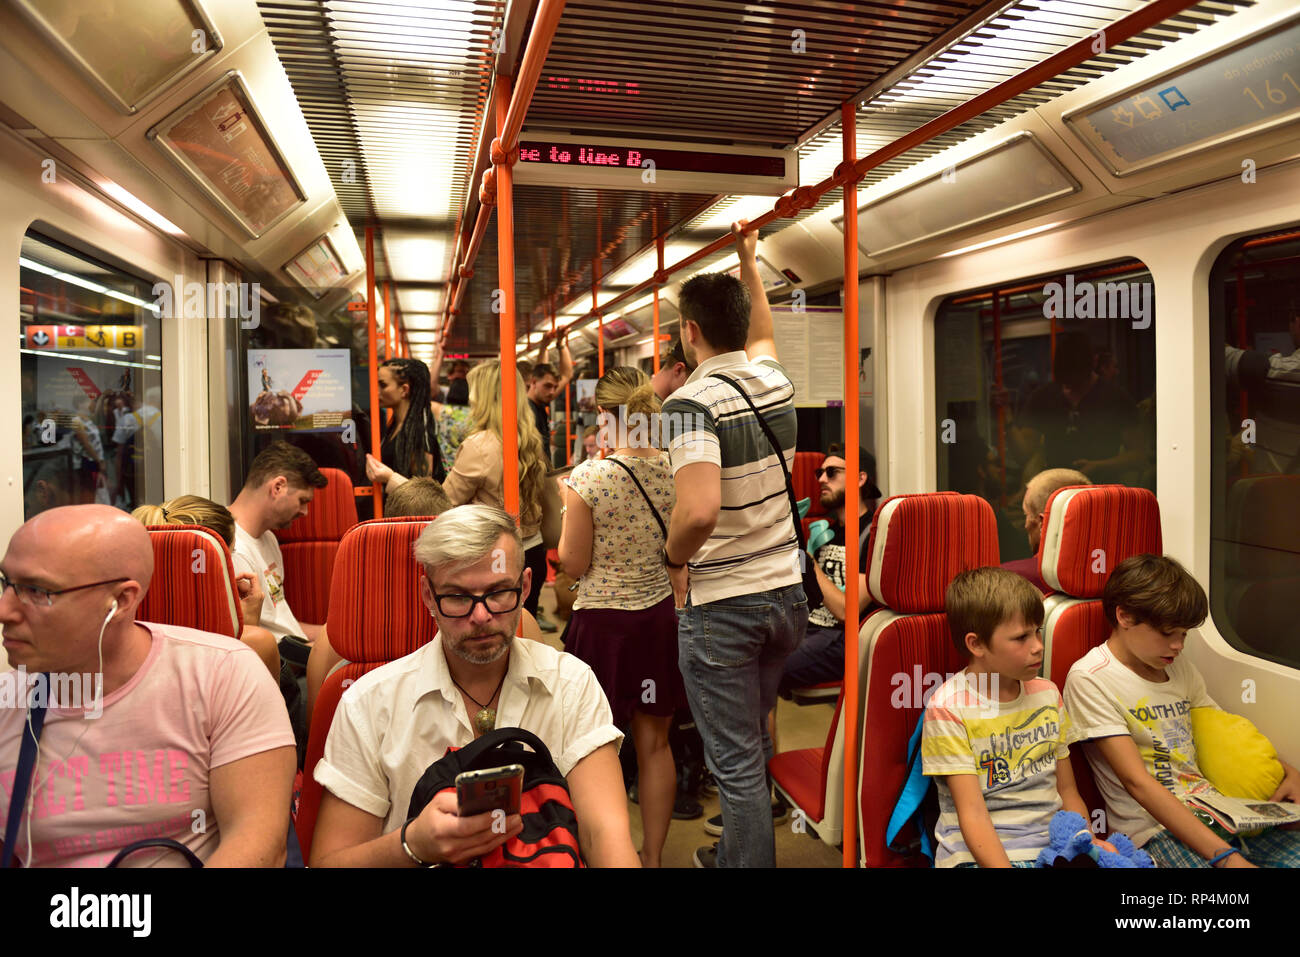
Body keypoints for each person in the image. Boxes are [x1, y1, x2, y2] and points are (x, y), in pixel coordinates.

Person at [308, 504, 639, 867]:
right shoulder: (368, 704)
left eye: (498, 593)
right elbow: (330, 861)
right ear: (428, 597)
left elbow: (604, 835)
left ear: (525, 586)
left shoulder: (571, 685)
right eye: (458, 597)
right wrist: (412, 844)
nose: (480, 616)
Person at [0, 505, 295, 866]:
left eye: (37, 590)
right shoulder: (8, 702)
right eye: (7, 584)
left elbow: (258, 844)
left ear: (121, 601)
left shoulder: (222, 675)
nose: (5, 610)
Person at [660, 220, 806, 868]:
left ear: (690, 331)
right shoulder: (773, 379)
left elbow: (697, 510)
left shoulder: (691, 403)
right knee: (752, 741)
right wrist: (750, 259)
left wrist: (672, 559)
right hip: (786, 597)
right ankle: (738, 852)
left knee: (737, 761)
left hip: (725, 605)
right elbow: (765, 331)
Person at [1064, 555, 1300, 868]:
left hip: (1220, 813)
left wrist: (1288, 771)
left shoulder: (1180, 671)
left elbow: (1224, 736)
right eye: (1167, 633)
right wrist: (1227, 860)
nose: (1178, 646)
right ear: (1124, 616)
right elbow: (1138, 784)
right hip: (1156, 829)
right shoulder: (1092, 678)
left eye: (1184, 635)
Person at [558, 366, 685, 867]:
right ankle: (651, 858)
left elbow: (573, 562)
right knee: (655, 744)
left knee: (597, 747)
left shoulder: (590, 477)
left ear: (607, 416)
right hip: (656, 620)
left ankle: (607, 856)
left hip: (603, 627)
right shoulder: (675, 467)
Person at [921, 567, 1114, 867]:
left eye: (1037, 631)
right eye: (1021, 637)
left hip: (1054, 847)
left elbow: (1067, 791)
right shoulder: (949, 708)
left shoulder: (1048, 695)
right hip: (981, 854)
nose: (1038, 646)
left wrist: (1086, 846)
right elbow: (972, 813)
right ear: (977, 644)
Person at [442, 360, 555, 627]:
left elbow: (444, 503)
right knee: (523, 629)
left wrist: (393, 480)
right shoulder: (530, 440)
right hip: (533, 550)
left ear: (483, 398)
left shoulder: (479, 446)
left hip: (497, 557)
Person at [132, 495, 280, 678]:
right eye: (231, 553)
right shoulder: (255, 643)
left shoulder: (120, 634)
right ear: (214, 559)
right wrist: (247, 626)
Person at [776, 444, 879, 695]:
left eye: (831, 472)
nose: (822, 479)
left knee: (764, 669)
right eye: (819, 473)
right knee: (751, 658)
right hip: (809, 629)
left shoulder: (874, 534)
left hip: (841, 637)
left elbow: (847, 609)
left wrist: (808, 560)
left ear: (860, 478)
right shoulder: (826, 533)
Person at [228, 441, 328, 648]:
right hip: (277, 659)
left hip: (291, 648)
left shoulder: (268, 538)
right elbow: (254, 639)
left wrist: (330, 633)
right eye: (302, 501)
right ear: (278, 487)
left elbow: (280, 624)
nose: (305, 512)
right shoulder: (233, 547)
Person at [1017, 332, 1142, 484]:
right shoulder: (1045, 396)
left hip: (1102, 492)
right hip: (1057, 493)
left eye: (1075, 381)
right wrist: (1007, 418)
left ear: (1091, 366)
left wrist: (1100, 466)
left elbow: (1139, 455)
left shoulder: (1115, 398)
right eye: (1065, 381)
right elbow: (1023, 453)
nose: (1068, 388)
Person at [363, 358, 445, 494]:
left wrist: (389, 478)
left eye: (383, 385)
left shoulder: (418, 433)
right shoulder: (394, 426)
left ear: (404, 389)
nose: (376, 391)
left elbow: (425, 494)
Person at [1001, 467, 1090, 593]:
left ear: (1043, 523)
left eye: (1027, 515)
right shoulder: (1117, 574)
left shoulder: (1010, 579)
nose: (1026, 525)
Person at [527, 335, 573, 465]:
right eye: (547, 386)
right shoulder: (526, 411)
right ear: (533, 382)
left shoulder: (541, 401)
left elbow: (566, 375)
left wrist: (560, 343)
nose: (552, 392)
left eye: (555, 387)